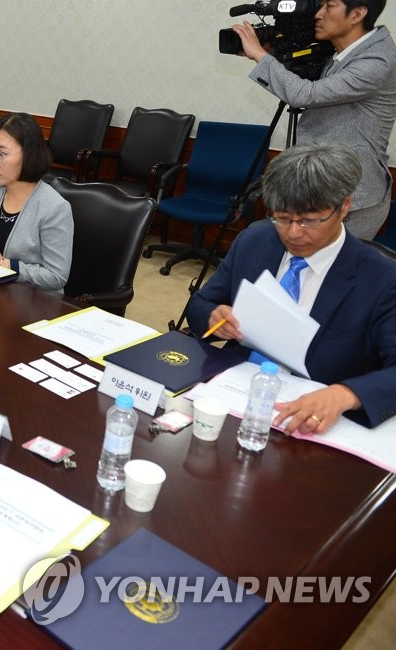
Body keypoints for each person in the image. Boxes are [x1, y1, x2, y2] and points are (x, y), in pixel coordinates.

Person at [187, 142, 396, 434]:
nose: (293, 233)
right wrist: (213, 317)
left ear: (344, 206)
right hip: (234, 392)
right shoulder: (254, 241)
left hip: (314, 415)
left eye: (308, 220)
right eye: (282, 218)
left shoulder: (382, 278)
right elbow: (200, 304)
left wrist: (345, 394)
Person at [232, 0, 396, 239]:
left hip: (354, 197)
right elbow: (305, 80)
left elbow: (305, 94)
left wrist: (260, 54)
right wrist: (273, 53)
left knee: (334, 263)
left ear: (357, 14)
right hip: (320, 183)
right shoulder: (341, 50)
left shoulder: (376, 60)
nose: (318, 14)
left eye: (329, 6)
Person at [0, 113, 73, 292]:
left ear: (29, 154)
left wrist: (2, 263)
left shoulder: (55, 208)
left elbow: (56, 277)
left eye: (2, 154)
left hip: (34, 299)